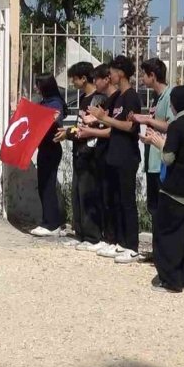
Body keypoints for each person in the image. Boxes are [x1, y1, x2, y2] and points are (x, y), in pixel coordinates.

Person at [143, 86, 184, 293]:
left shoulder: (177, 126)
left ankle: (170, 280)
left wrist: (157, 143)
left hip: (175, 189)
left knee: (168, 235)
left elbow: (168, 158)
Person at [89, 55, 143, 264]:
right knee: (116, 200)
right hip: (114, 154)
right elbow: (114, 123)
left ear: (120, 73)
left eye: (111, 72)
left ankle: (132, 246)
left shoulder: (131, 97)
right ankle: (120, 241)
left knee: (127, 202)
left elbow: (130, 126)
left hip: (127, 155)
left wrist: (105, 118)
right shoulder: (118, 97)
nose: (109, 76)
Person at [59, 62, 107, 251]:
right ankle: (79, 233)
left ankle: (92, 236)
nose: (73, 83)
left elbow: (94, 125)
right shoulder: (83, 98)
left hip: (91, 152)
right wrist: (68, 132)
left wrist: (70, 133)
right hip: (79, 150)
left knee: (89, 194)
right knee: (77, 193)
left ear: (84, 78)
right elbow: (79, 125)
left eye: (74, 79)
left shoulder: (98, 99)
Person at [78, 64, 116, 249]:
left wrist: (95, 123)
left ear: (107, 79)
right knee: (98, 196)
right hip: (97, 152)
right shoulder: (100, 99)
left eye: (97, 79)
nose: (95, 83)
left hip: (108, 153)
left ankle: (107, 238)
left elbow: (112, 128)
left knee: (108, 199)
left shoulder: (115, 99)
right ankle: (101, 237)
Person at [133, 58, 174, 221]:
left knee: (161, 209)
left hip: (162, 162)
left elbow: (170, 126)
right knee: (153, 207)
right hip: (152, 160)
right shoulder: (156, 97)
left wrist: (146, 120)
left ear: (153, 76)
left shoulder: (169, 96)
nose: (142, 78)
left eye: (144, 74)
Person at [29, 74, 69, 238]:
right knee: (43, 185)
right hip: (44, 148)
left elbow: (53, 119)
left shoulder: (55, 103)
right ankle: (47, 221)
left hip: (51, 149)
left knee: (48, 186)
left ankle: (52, 224)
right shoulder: (44, 102)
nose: (35, 88)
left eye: (37, 84)